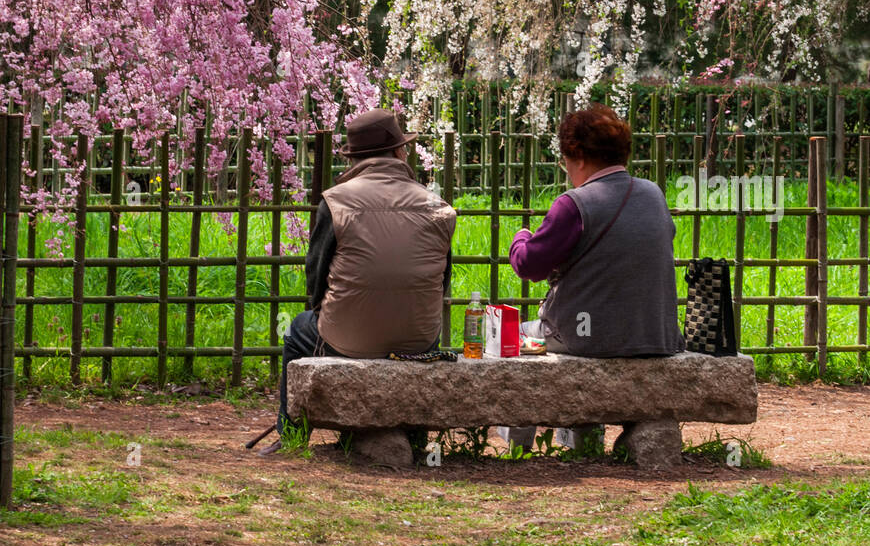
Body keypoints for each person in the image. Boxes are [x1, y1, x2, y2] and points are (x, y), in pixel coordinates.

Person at [256, 108, 456, 455]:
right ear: (398, 152)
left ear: (355, 157)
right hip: (420, 339)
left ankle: (291, 436)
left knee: (295, 332)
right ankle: (416, 440)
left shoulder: (336, 201)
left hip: (347, 336)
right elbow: (442, 283)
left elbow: (316, 280)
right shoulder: (436, 205)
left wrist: (325, 313)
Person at [501, 102, 683, 453]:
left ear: (578, 155)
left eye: (565, 158)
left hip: (586, 338)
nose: (566, 167)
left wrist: (520, 236)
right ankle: (581, 441)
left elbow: (530, 265)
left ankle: (516, 447)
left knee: (510, 337)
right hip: (652, 335)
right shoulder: (653, 195)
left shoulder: (575, 204)